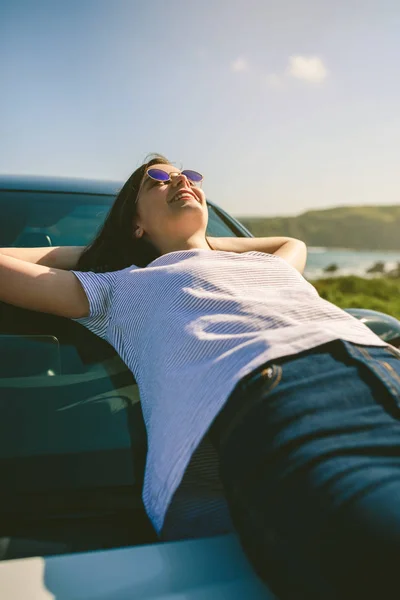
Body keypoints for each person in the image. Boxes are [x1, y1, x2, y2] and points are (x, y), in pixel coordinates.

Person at [2, 153, 400, 600]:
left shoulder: (266, 266)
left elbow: (289, 242)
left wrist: (204, 243)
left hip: (384, 362)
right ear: (134, 224)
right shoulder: (120, 289)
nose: (180, 181)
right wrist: (101, 254)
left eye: (188, 176)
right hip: (290, 396)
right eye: (157, 178)